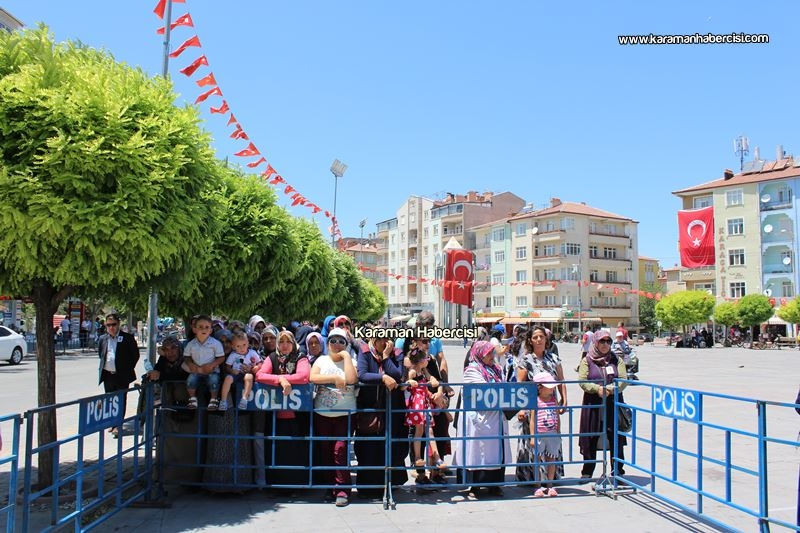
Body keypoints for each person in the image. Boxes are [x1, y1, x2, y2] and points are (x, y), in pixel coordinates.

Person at [453, 340, 510, 496]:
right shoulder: (472, 370)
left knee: (495, 452)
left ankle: (495, 484)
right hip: (479, 417)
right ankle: (475, 486)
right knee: (478, 451)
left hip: (496, 416)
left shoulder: (497, 369)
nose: (492, 356)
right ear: (479, 354)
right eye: (488, 353)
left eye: (492, 352)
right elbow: (482, 390)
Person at [254, 329, 310, 489]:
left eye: (288, 342)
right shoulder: (272, 357)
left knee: (296, 452)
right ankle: (278, 487)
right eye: (281, 342)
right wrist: (280, 380)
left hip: (297, 417)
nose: (284, 346)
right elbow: (260, 375)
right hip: (275, 417)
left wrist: (282, 379)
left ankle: (297, 487)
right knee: (277, 451)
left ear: (293, 343)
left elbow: (304, 376)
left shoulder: (301, 357)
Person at [310, 327, 358, 506]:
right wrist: (334, 378)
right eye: (333, 341)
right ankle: (330, 487)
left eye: (341, 341)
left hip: (345, 413)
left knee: (340, 449)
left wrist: (345, 357)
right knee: (326, 450)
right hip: (323, 413)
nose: (337, 344)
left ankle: (343, 489)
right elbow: (312, 377)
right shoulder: (322, 360)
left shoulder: (351, 360)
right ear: (328, 343)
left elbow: (352, 379)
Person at [515, 325, 567, 485]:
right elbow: (520, 385)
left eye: (541, 337)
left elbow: (561, 380)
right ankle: (532, 478)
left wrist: (564, 399)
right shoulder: (525, 360)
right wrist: (522, 407)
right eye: (535, 337)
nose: (539, 340)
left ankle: (551, 477)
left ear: (546, 339)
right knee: (532, 441)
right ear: (530, 340)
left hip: (551, 404)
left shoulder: (553, 358)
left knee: (551, 438)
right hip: (533, 407)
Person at [355, 334, 407, 493]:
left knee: (394, 445)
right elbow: (362, 374)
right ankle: (368, 488)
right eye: (380, 339)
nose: (384, 342)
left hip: (393, 408)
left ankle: (392, 483)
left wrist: (385, 358)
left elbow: (397, 375)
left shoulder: (397, 353)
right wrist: (383, 377)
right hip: (371, 408)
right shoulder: (364, 352)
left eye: (386, 338)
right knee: (369, 447)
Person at [578, 329, 628, 481]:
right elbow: (582, 380)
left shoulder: (616, 359)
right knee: (590, 436)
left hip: (612, 403)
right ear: (596, 342)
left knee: (615, 436)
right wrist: (597, 389)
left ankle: (617, 470)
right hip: (593, 403)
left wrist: (611, 389)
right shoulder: (587, 359)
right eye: (602, 341)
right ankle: (588, 470)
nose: (606, 344)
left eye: (608, 341)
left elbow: (624, 379)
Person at [404, 342, 446, 488]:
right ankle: (417, 457)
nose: (427, 360)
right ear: (420, 360)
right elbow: (407, 383)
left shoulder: (424, 370)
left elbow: (431, 380)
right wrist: (410, 382)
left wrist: (434, 382)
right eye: (425, 358)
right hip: (417, 404)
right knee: (419, 430)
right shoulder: (414, 371)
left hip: (425, 402)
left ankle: (436, 457)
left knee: (429, 431)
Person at [97, 313, 140, 438]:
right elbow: (101, 354)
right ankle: (112, 423)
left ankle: (118, 425)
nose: (111, 327)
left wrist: (126, 368)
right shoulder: (103, 339)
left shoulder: (127, 338)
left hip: (122, 375)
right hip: (108, 375)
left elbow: (134, 355)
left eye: (113, 324)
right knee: (110, 400)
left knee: (120, 400)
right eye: (108, 325)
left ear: (118, 324)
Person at [183, 315, 225, 410]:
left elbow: (221, 357)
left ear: (210, 330)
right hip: (196, 370)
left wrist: (212, 365)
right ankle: (192, 399)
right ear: (194, 329)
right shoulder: (191, 344)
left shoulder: (215, 343)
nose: (204, 329)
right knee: (190, 380)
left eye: (207, 327)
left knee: (214, 380)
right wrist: (190, 364)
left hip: (211, 371)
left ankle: (214, 399)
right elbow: (186, 356)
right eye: (200, 327)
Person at [531, 372, 562, 497]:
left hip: (552, 433)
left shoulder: (553, 400)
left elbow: (557, 416)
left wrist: (558, 431)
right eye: (549, 386)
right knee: (537, 460)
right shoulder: (536, 401)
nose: (552, 388)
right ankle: (537, 485)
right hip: (540, 433)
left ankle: (550, 484)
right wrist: (533, 436)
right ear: (540, 387)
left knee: (551, 459)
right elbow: (532, 420)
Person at [218, 331, 262, 411]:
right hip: (236, 374)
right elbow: (227, 367)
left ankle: (244, 399)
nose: (242, 348)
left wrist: (256, 367)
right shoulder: (233, 355)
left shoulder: (252, 353)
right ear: (233, 347)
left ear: (248, 343)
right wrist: (232, 371)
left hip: (247, 373)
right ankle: (223, 401)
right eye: (238, 346)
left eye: (244, 345)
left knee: (249, 377)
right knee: (228, 378)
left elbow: (260, 363)